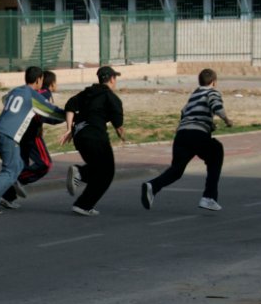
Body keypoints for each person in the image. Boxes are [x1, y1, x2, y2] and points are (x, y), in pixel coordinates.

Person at [141, 68, 232, 212]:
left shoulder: (194, 95)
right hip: (197, 134)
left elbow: (184, 112)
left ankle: (152, 186)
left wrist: (208, 124)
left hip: (182, 135)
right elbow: (216, 105)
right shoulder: (212, 92)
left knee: (176, 170)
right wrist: (227, 120)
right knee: (216, 152)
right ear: (214, 82)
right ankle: (209, 197)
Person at [0, 66, 65, 215]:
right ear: (39, 80)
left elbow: (4, 100)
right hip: (9, 135)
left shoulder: (14, 91)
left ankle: (1, 192)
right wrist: (70, 115)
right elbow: (52, 113)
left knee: (18, 165)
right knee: (11, 170)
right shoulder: (33, 95)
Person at [60, 66, 125, 217]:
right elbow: (118, 124)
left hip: (80, 136)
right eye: (115, 78)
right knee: (107, 172)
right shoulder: (111, 97)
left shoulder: (86, 93)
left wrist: (69, 128)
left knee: (98, 169)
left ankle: (83, 203)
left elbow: (70, 106)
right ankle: (80, 177)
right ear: (112, 79)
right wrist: (122, 135)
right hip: (96, 137)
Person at [0, 70, 63, 209]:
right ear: (50, 83)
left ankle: (7, 196)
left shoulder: (23, 91)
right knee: (45, 164)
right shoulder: (44, 94)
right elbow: (45, 114)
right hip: (32, 134)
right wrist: (65, 117)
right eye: (56, 82)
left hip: (20, 133)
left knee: (21, 164)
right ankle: (2, 181)